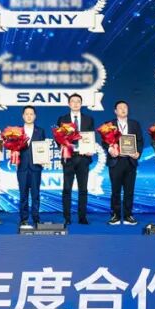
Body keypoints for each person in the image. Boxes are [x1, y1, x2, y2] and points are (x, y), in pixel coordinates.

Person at [101, 100, 143, 225]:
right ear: (115, 111)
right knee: (115, 190)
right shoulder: (109, 125)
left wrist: (138, 152)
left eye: (125, 107)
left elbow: (140, 141)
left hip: (130, 161)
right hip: (116, 161)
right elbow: (104, 141)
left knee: (129, 190)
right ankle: (115, 215)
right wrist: (110, 149)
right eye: (120, 108)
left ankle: (128, 215)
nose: (123, 109)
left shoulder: (134, 124)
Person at [57, 93, 95, 225]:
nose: (75, 103)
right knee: (67, 189)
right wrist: (63, 145)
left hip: (83, 158)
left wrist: (91, 148)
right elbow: (58, 138)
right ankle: (67, 217)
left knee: (83, 189)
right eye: (73, 101)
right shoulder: (63, 119)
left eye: (78, 101)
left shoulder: (88, 119)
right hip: (69, 157)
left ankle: (82, 217)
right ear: (69, 104)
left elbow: (90, 137)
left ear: (81, 104)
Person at [14, 106, 46, 227]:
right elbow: (12, 147)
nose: (29, 116)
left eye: (31, 114)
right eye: (26, 114)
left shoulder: (40, 131)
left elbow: (43, 148)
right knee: (23, 194)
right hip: (22, 167)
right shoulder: (16, 131)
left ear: (35, 116)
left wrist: (43, 158)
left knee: (35, 194)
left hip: (36, 167)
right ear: (23, 116)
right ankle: (24, 218)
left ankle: (36, 218)